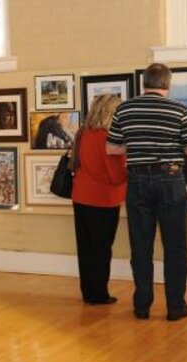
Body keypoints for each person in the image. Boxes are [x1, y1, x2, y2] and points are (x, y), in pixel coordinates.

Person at [106, 63, 187, 321]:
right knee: (175, 247)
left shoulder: (124, 109)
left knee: (140, 246)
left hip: (137, 181)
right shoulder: (179, 109)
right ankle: (175, 306)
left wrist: (137, 146)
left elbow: (112, 149)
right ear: (168, 84)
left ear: (144, 83)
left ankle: (142, 305)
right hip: (170, 180)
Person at [71, 94, 126, 305]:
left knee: (86, 248)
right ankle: (99, 294)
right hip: (104, 200)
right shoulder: (108, 137)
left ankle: (88, 292)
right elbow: (116, 176)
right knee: (102, 249)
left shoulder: (83, 133)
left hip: (81, 196)